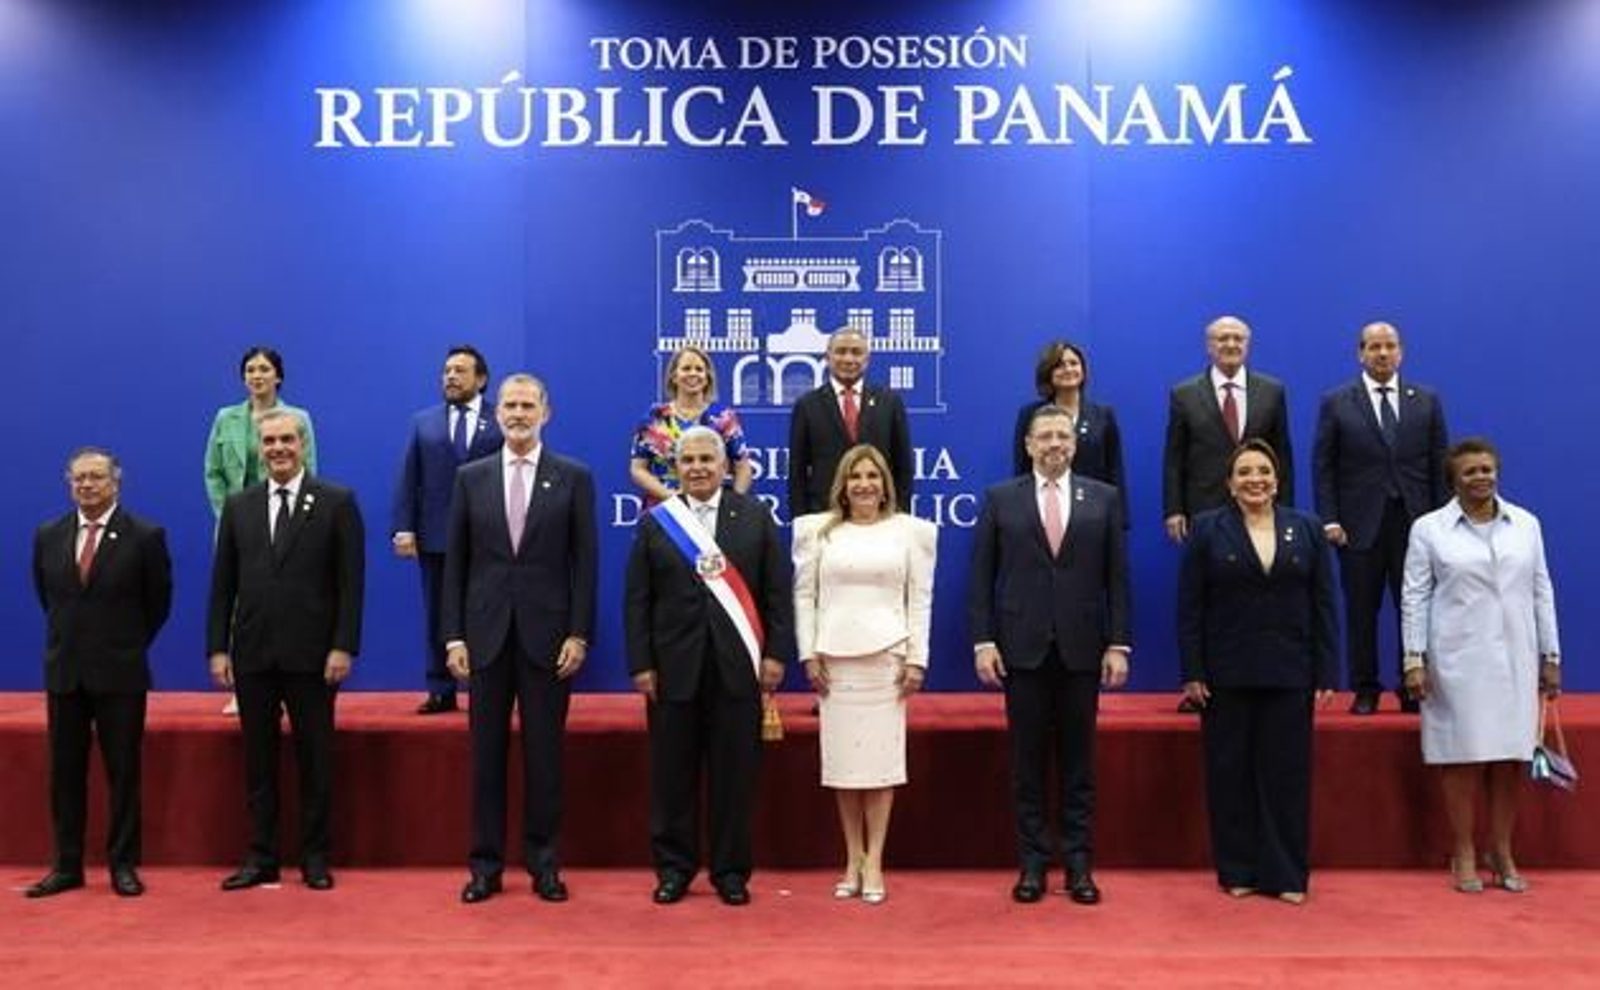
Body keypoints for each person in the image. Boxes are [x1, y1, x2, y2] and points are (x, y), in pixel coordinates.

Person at [441, 373, 597, 905]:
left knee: (545, 758)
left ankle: (544, 862)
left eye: (528, 405)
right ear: (497, 413)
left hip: (549, 639)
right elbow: (455, 565)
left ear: (546, 413)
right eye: (509, 405)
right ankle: (484, 867)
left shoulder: (573, 477)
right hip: (483, 638)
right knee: (485, 758)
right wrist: (453, 636)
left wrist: (579, 633)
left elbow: (587, 564)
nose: (518, 414)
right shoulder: (470, 477)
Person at [968, 405, 1132, 906]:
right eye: (1046, 436)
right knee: (1028, 763)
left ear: (1075, 445)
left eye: (1063, 435)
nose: (1055, 443)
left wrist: (1119, 644)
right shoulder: (1001, 499)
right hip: (1022, 650)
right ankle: (1034, 865)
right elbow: (981, 577)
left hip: (1084, 649)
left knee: (1080, 764)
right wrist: (984, 640)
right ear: (1029, 445)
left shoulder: (1103, 499)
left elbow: (1117, 581)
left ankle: (1079, 866)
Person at [625, 426, 794, 906]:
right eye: (688, 460)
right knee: (671, 776)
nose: (698, 467)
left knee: (734, 777)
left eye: (707, 459)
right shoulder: (659, 522)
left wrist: (777, 654)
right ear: (675, 469)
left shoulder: (754, 517)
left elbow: (776, 594)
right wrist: (642, 664)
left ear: (725, 467)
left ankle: (731, 871)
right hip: (672, 669)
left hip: (737, 668)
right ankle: (675, 869)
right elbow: (637, 600)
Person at [207, 410, 364, 892]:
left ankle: (315, 858)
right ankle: (262, 857)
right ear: (259, 447)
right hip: (252, 654)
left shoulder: (337, 502)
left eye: (286, 440)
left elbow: (350, 585)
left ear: (303, 445)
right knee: (259, 762)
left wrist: (343, 646)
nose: (277, 448)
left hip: (315, 657)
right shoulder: (239, 506)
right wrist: (218, 648)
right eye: (269, 441)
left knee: (315, 761)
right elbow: (223, 586)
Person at [1178, 439, 1337, 905]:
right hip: (1226, 674)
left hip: (1291, 672)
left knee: (1287, 776)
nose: (1255, 480)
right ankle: (1238, 869)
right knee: (1230, 775)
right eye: (1244, 472)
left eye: (1263, 471)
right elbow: (1190, 608)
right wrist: (1193, 670)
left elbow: (1325, 604)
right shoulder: (1207, 530)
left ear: (1278, 479)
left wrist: (1326, 671)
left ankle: (1286, 874)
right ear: (1229, 483)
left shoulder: (1306, 529)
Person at [1400, 437, 1560, 894]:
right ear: (1454, 479)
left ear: (1498, 472)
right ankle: (1465, 850)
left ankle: (1503, 850)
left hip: (1517, 657)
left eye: (1487, 469)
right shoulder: (1429, 529)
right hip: (1457, 661)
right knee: (1463, 758)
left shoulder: (1526, 524)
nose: (1481, 477)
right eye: (1470, 471)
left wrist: (1551, 655)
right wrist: (1414, 659)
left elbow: (1540, 589)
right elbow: (1414, 597)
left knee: (1511, 759)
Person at [793, 444, 937, 905]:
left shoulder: (910, 532)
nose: (864, 485)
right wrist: (807, 653)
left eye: (873, 476)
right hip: (835, 660)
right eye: (856, 477)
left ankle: (876, 859)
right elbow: (804, 596)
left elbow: (921, 598)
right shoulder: (817, 532)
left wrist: (917, 658)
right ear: (843, 484)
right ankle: (851, 857)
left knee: (879, 767)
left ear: (885, 484)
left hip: (887, 659)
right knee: (844, 768)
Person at [26, 448, 172, 898]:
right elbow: (47, 597)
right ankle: (67, 865)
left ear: (116, 482)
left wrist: (124, 644)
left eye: (95, 477)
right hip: (65, 672)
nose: (86, 485)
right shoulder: (49, 535)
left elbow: (157, 604)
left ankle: (123, 865)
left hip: (121, 673)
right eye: (78, 479)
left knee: (123, 774)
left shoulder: (144, 536)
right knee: (64, 775)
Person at [1313, 321, 1449, 715]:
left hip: (1417, 523)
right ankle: (1366, 688)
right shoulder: (1337, 401)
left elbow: (1441, 461)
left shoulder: (1425, 399)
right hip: (1358, 525)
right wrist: (1329, 518)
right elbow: (1323, 465)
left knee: (1416, 608)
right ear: (1361, 353)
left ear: (1401, 352)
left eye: (1389, 346)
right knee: (1361, 610)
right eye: (1374, 347)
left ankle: (1412, 686)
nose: (1383, 353)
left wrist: (1442, 519)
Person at [1164, 315, 1293, 712]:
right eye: (1223, 338)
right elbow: (1174, 458)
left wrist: (1285, 509)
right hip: (1205, 509)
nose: (1231, 344)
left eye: (1238, 338)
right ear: (1209, 346)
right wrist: (1174, 509)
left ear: (1248, 345)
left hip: (1262, 511)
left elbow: (1282, 454)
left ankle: (1255, 679)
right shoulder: (1184, 393)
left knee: (1257, 597)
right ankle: (1198, 687)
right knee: (1203, 599)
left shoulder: (1271, 390)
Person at [204, 345, 318, 715]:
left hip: (287, 523)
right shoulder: (226, 418)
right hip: (241, 526)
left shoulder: (298, 417)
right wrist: (233, 516)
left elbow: (310, 469)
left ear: (278, 376)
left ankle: (288, 689)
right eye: (250, 369)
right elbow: (213, 472)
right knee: (240, 606)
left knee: (287, 601)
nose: (257, 375)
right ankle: (244, 688)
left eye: (264, 369)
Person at [392, 345, 503, 715]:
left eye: (460, 370)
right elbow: (410, 478)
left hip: (490, 536)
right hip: (436, 534)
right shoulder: (424, 422)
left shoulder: (500, 419)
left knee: (488, 612)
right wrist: (403, 528)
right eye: (446, 371)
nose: (451, 377)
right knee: (437, 613)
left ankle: (485, 687)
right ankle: (440, 688)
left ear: (481, 379)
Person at [788, 327, 913, 518]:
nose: (848, 359)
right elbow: (797, 473)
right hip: (824, 517)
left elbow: (904, 467)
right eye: (840, 351)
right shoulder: (807, 405)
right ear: (827, 357)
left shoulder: (890, 402)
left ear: (867, 359)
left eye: (856, 352)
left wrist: (898, 516)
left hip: (878, 517)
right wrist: (803, 522)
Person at [1010, 340, 1127, 523]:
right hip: (1044, 514)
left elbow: (1114, 470)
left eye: (1074, 363)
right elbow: (1022, 470)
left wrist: (1119, 519)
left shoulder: (1103, 415)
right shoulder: (1029, 415)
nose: (1068, 369)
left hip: (1094, 514)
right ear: (1048, 373)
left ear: (1083, 369)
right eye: (1060, 365)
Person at [630, 344, 753, 506]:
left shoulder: (724, 418)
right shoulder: (655, 417)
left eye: (699, 369)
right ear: (674, 376)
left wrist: (733, 507)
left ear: (707, 377)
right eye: (686, 368)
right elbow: (638, 469)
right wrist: (672, 498)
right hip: (666, 511)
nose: (693, 374)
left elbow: (743, 467)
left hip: (712, 511)